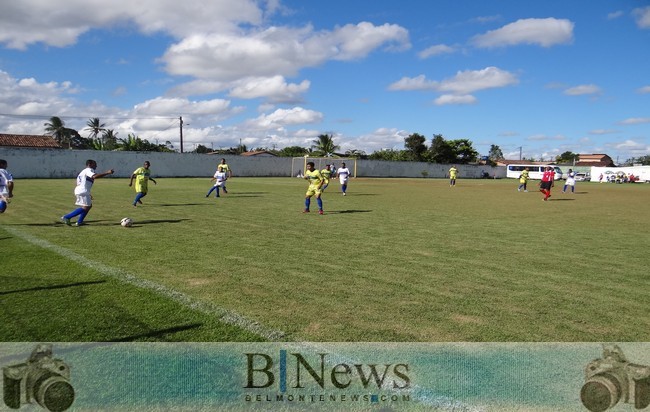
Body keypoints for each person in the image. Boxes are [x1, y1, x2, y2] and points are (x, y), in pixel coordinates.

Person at [61, 159, 114, 226]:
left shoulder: (83, 172)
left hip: (80, 190)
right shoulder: (89, 170)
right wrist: (107, 173)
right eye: (95, 164)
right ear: (90, 164)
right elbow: (94, 176)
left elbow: (80, 182)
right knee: (86, 207)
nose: (96, 166)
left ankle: (79, 222)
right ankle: (67, 217)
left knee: (88, 206)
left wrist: (88, 192)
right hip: (82, 190)